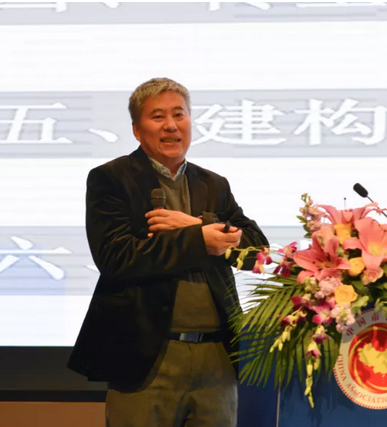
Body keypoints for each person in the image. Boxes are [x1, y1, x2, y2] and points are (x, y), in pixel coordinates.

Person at [68, 77, 268, 427]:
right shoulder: (112, 179)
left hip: (217, 357)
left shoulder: (213, 184)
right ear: (136, 129)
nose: (172, 125)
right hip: (148, 356)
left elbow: (257, 251)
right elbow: (116, 257)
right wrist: (199, 239)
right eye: (158, 116)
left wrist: (194, 224)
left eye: (179, 114)